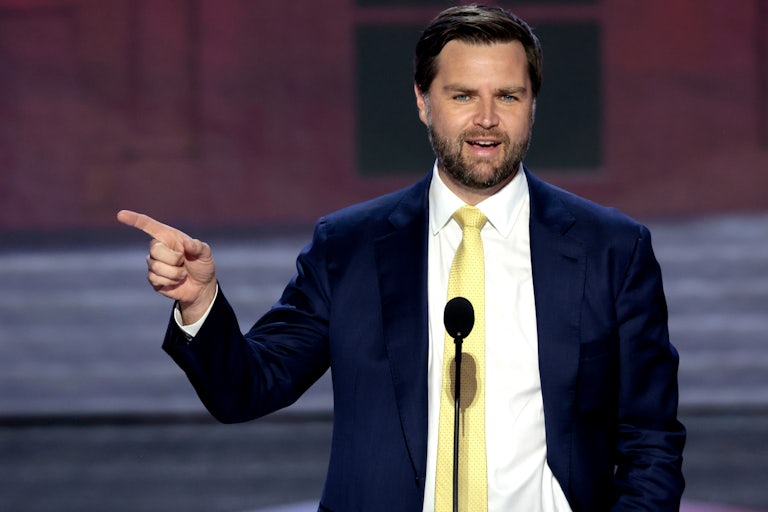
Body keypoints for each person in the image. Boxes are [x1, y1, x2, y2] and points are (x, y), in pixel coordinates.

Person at [118, 5, 685, 511]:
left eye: (508, 96)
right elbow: (247, 388)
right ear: (422, 101)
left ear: (532, 105)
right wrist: (200, 304)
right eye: (462, 95)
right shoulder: (348, 247)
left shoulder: (612, 249)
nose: (487, 118)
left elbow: (652, 441)